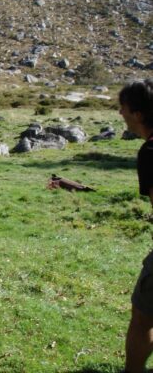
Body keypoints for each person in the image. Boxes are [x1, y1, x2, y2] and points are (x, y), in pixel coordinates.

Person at [120, 79, 153, 373]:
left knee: (143, 318)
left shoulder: (150, 152)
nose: (121, 113)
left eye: (124, 108)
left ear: (138, 114)